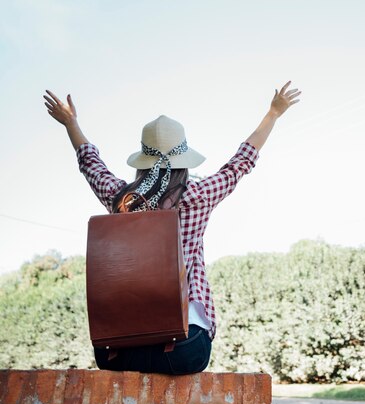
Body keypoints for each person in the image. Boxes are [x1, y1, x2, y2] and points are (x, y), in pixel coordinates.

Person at [43, 81, 301, 374]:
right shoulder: (197, 196)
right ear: (183, 162)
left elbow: (91, 165)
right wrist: (273, 113)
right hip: (184, 350)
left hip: (117, 352)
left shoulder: (120, 199)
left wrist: (70, 123)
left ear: (142, 161)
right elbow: (239, 164)